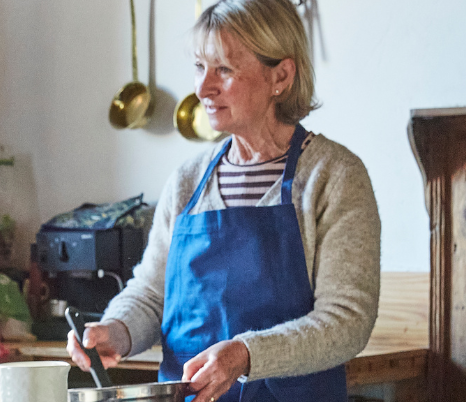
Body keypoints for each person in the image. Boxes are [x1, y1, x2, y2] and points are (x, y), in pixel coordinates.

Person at [65, 0, 381, 401]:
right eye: (200, 68)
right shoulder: (187, 180)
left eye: (224, 70)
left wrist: (246, 355)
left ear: (281, 75)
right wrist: (116, 331)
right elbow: (150, 293)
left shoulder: (332, 176)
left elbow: (346, 322)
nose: (202, 88)